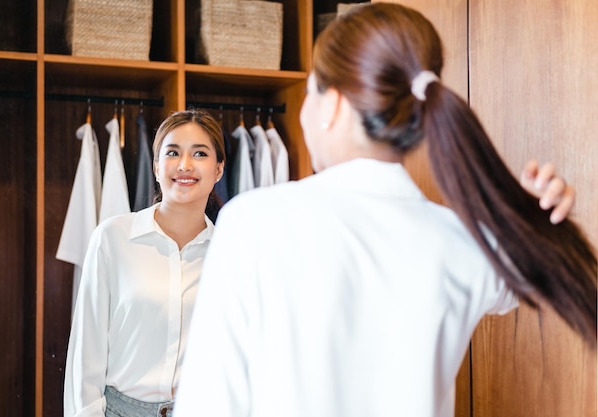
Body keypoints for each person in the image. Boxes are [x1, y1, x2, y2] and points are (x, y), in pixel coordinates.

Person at [171, 4, 597, 417]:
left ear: (333, 104)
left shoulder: (254, 222)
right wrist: (528, 215)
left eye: (309, 93)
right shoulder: (460, 242)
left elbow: (210, 400)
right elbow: (520, 269)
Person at [64, 109, 225, 417]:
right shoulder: (114, 238)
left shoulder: (229, 253)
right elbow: (87, 352)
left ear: (218, 169)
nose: (185, 165)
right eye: (173, 152)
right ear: (155, 166)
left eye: (200, 153)